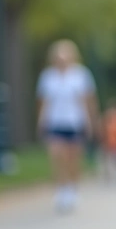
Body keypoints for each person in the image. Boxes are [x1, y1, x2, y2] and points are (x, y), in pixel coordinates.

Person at [36, 39, 99, 213]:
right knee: (57, 155)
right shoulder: (48, 77)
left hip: (75, 121)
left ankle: (72, 189)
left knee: (73, 158)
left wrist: (91, 122)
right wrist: (41, 121)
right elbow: (43, 102)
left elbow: (88, 101)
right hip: (55, 121)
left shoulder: (81, 75)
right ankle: (61, 189)